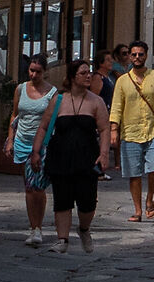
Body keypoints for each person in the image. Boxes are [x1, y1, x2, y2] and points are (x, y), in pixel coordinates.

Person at [43, 58, 110, 254]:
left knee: (87, 202)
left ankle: (84, 229)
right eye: (83, 73)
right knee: (62, 200)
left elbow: (104, 129)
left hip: (87, 158)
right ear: (73, 77)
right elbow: (44, 127)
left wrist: (104, 154)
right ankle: (62, 239)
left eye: (89, 72)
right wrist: (36, 152)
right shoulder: (59, 100)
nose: (88, 76)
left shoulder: (96, 102)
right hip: (61, 157)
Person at [109, 41, 154, 223]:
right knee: (134, 173)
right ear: (130, 56)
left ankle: (150, 197)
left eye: (141, 54)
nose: (137, 57)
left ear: (146, 55)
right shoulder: (122, 81)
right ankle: (137, 210)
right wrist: (114, 130)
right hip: (130, 131)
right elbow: (116, 107)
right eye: (134, 54)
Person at [2, 56, 59, 247]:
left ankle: (39, 227)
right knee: (28, 186)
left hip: (42, 144)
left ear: (45, 72)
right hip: (22, 141)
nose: (34, 75)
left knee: (38, 186)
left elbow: (52, 121)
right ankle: (33, 226)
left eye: (38, 72)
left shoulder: (52, 93)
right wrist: (10, 140)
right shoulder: (20, 89)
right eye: (31, 70)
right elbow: (15, 115)